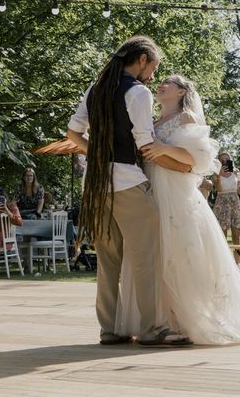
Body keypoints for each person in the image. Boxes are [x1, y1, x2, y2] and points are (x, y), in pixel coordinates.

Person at [116, 74, 240, 345]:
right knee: (154, 254)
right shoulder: (152, 123)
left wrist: (161, 148)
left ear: (181, 92)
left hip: (176, 193)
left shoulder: (187, 118)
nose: (161, 85)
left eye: (169, 82)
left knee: (181, 253)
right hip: (151, 190)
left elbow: (199, 161)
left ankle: (183, 319)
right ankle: (160, 321)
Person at [67, 35, 194, 347]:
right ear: (141, 60)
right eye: (153, 66)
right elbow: (144, 142)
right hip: (127, 183)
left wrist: (96, 154)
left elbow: (72, 133)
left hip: (96, 186)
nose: (152, 74)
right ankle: (153, 329)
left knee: (108, 261)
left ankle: (109, 329)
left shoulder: (96, 89)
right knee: (146, 259)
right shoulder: (138, 92)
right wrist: (181, 166)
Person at [211, 150, 240, 265]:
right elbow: (219, 189)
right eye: (222, 160)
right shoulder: (215, 174)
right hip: (222, 203)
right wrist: (220, 174)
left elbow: (239, 191)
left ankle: (237, 263)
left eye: (227, 160)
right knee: (222, 236)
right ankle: (224, 264)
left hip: (235, 202)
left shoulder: (236, 172)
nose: (225, 162)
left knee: (236, 235)